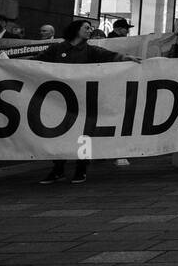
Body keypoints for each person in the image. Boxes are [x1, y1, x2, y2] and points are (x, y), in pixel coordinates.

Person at [38, 20, 138, 184]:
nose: (90, 30)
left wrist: (126, 58)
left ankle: (81, 168)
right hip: (60, 102)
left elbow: (109, 55)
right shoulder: (56, 49)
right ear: (76, 30)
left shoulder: (90, 50)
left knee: (83, 135)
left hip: (84, 101)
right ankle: (58, 169)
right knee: (60, 135)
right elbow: (35, 62)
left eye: (90, 28)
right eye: (86, 27)